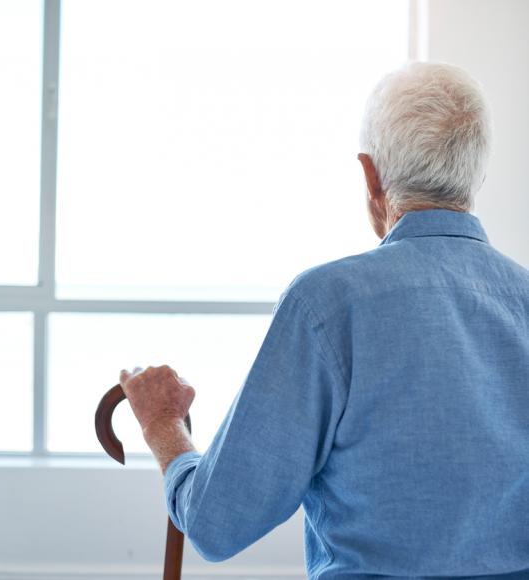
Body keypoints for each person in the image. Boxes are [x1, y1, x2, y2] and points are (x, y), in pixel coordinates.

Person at [119, 61, 529, 579]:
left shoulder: (327, 304)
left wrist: (163, 425)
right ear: (478, 174)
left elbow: (215, 522)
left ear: (370, 173)